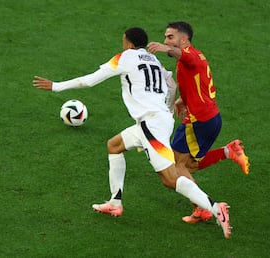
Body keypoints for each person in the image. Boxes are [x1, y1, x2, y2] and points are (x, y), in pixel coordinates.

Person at [33, 27, 232, 239]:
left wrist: (55, 86)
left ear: (128, 43)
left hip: (151, 124)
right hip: (155, 121)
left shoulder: (125, 57)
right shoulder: (155, 61)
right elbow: (171, 83)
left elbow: (90, 80)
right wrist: (166, 108)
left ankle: (214, 207)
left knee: (169, 178)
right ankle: (114, 202)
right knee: (114, 146)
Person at [148, 21, 249, 224]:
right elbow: (195, 81)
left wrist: (164, 49)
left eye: (170, 37)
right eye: (165, 37)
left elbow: (184, 56)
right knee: (189, 165)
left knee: (176, 167)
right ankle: (229, 151)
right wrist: (182, 100)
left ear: (183, 40)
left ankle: (202, 208)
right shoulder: (194, 57)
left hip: (198, 122)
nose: (165, 40)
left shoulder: (189, 54)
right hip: (210, 119)